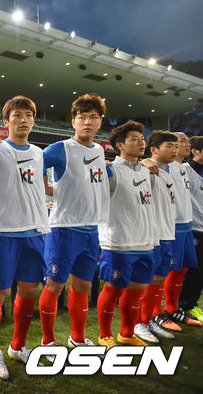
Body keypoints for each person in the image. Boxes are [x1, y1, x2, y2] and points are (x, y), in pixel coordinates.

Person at [0, 95, 50, 379]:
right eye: (17, 115)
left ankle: (18, 346)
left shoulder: (39, 153)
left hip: (34, 231)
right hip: (5, 233)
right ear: (6, 121)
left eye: (28, 115)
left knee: (29, 291)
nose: (23, 120)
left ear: (33, 121)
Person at [39, 94, 109, 350]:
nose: (87, 122)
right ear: (73, 122)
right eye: (82, 117)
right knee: (54, 286)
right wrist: (51, 191)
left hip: (91, 231)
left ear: (100, 122)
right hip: (63, 230)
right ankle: (48, 341)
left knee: (83, 287)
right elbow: (33, 165)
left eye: (93, 117)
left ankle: (77, 338)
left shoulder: (99, 150)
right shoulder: (61, 149)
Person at [97, 121, 156, 348]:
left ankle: (127, 333)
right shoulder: (110, 171)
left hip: (145, 242)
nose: (141, 143)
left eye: (142, 139)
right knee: (113, 290)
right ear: (120, 145)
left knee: (136, 292)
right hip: (119, 243)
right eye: (134, 139)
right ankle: (104, 335)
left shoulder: (148, 171)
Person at [134, 131, 181, 340]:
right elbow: (129, 170)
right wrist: (143, 162)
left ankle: (148, 320)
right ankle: (137, 324)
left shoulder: (167, 172)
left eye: (175, 146)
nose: (174, 150)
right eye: (169, 146)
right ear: (153, 149)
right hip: (151, 236)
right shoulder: (146, 170)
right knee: (143, 282)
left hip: (168, 234)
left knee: (158, 281)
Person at [161, 133, 201, 326]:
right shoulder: (164, 167)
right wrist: (146, 162)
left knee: (182, 269)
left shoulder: (181, 168)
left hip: (186, 226)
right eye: (182, 141)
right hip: (172, 226)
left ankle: (173, 309)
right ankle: (156, 314)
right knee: (165, 271)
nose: (186, 144)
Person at [180, 136, 203, 321]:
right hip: (192, 227)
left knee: (200, 270)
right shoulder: (184, 170)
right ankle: (185, 305)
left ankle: (192, 304)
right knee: (192, 270)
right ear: (195, 151)